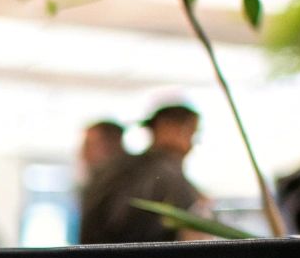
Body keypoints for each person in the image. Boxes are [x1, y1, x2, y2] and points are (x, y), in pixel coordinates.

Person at [78, 104, 207, 244]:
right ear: (167, 127)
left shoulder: (123, 165)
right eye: (190, 133)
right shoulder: (164, 170)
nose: (190, 145)